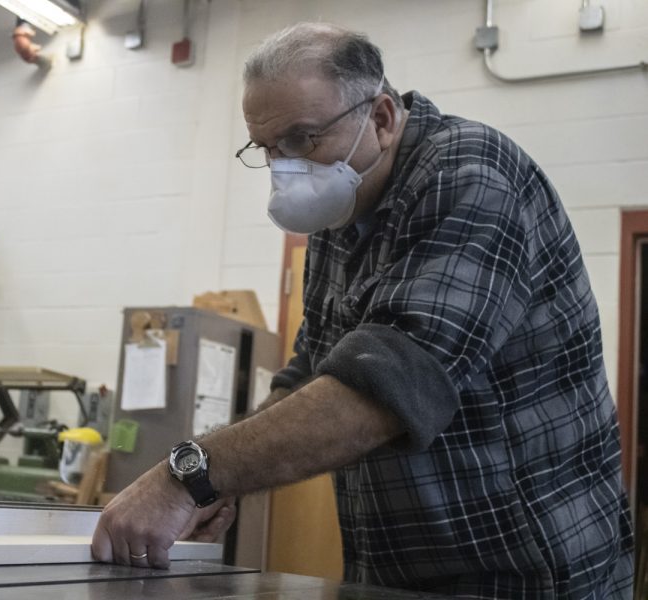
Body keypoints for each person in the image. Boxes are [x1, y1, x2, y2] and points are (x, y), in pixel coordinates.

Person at [91, 22, 634, 598]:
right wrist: (220, 484)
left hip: (528, 570)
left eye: (302, 139)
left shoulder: (471, 173)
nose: (285, 167)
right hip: (398, 571)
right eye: (267, 149)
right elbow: (309, 373)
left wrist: (188, 474)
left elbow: (388, 387)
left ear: (380, 117)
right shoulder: (340, 219)